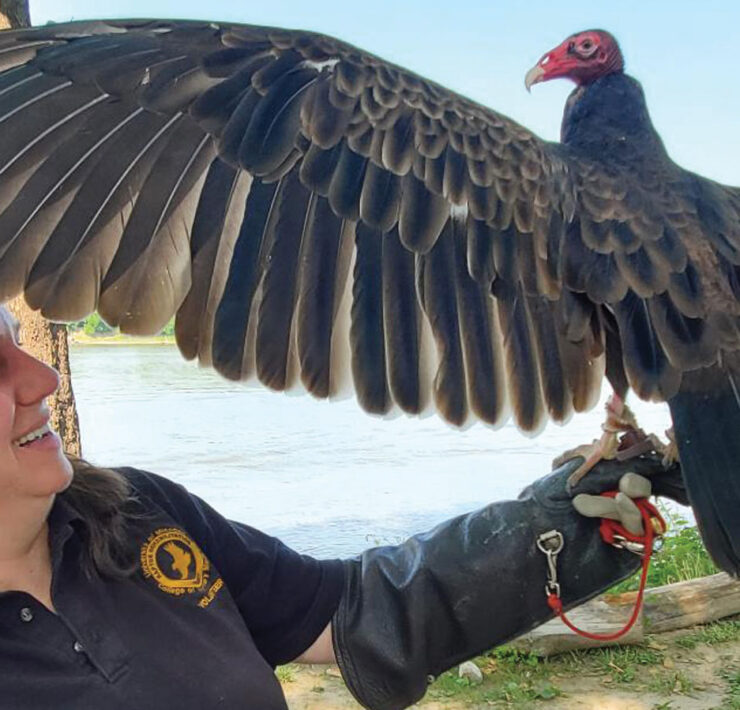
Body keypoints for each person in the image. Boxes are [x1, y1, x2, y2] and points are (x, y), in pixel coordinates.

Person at [0, 304, 688, 710]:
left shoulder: (134, 511)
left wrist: (556, 528)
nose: (43, 378)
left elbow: (352, 612)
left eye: (17, 341)